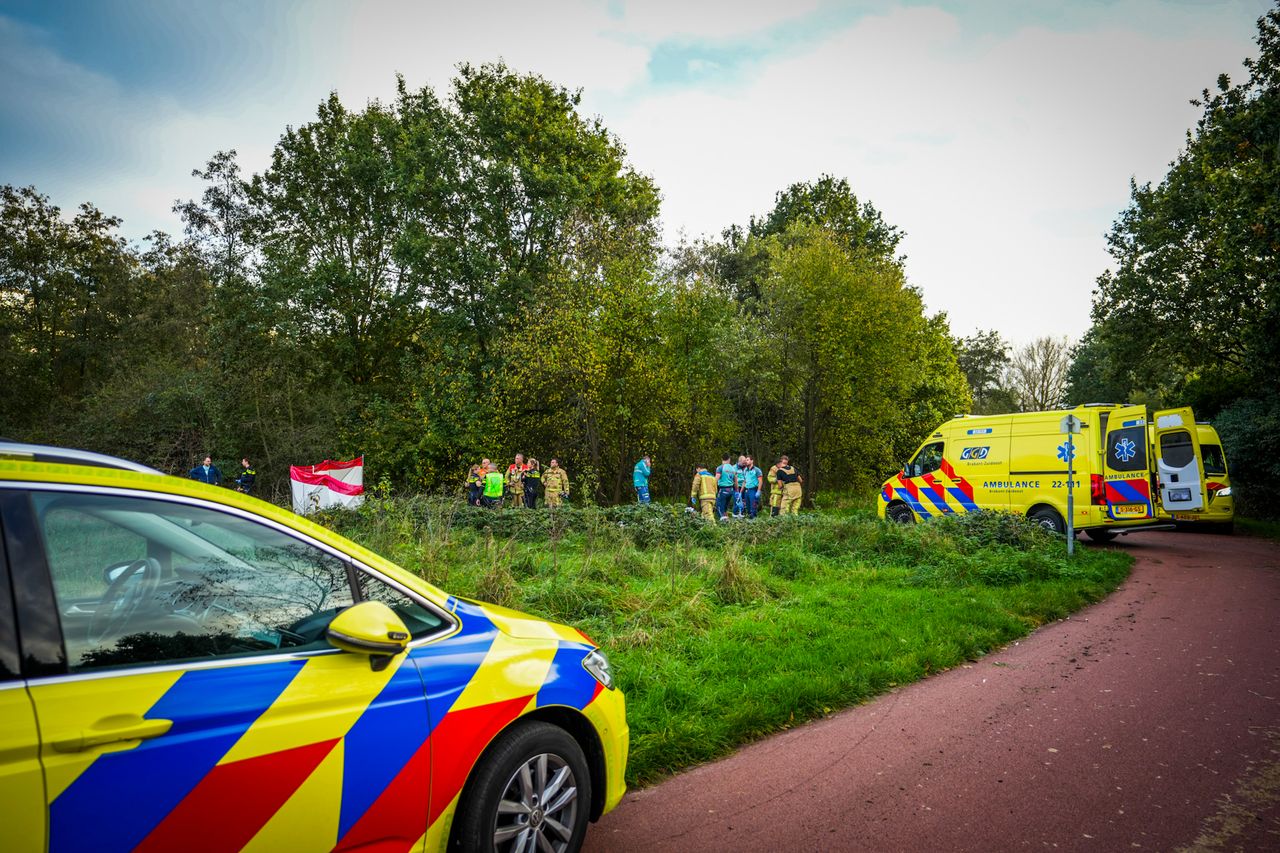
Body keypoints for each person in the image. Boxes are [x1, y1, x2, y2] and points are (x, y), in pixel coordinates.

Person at [714, 453, 738, 521]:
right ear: (729, 459)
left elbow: (716, 479)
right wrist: (737, 491)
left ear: (722, 459)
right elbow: (736, 481)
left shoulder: (720, 468)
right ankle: (727, 521)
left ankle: (723, 521)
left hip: (723, 490)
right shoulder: (733, 469)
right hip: (731, 490)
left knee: (719, 506)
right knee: (725, 507)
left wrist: (712, 488)